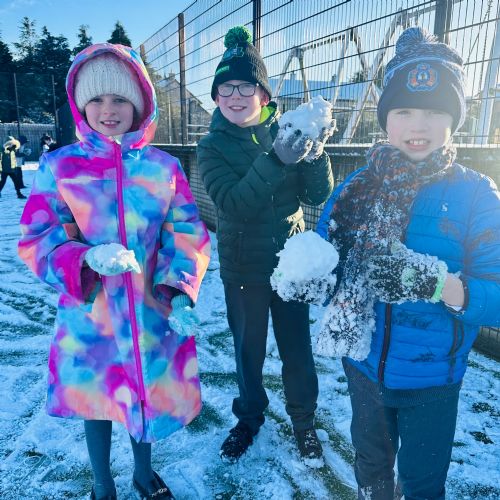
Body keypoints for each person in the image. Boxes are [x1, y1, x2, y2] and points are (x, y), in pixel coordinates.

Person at [18, 43, 211, 500]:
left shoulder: (164, 169)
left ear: (140, 104)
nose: (108, 110)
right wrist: (84, 259)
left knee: (145, 394)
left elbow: (185, 232)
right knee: (99, 399)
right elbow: (38, 237)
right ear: (81, 105)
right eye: (98, 99)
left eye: (120, 98)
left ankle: (143, 474)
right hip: (92, 315)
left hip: (150, 309)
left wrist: (180, 288)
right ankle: (102, 483)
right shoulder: (60, 167)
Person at [315, 27, 500, 499]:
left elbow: (496, 296)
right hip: (364, 366)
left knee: (421, 483)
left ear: (454, 119)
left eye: (434, 111)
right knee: (372, 471)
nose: (419, 125)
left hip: (433, 379)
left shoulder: (477, 195)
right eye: (404, 111)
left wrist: (439, 285)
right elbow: (324, 255)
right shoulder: (357, 187)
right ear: (385, 120)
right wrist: (312, 275)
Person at [197, 26, 334, 463]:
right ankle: (249, 417)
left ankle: (304, 421)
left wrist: (316, 155)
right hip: (243, 268)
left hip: (290, 264)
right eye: (226, 88)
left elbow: (316, 194)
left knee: (297, 350)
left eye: (246, 86)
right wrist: (276, 159)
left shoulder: (288, 130)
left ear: (263, 93)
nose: (236, 96)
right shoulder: (211, 147)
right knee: (248, 351)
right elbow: (234, 204)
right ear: (216, 96)